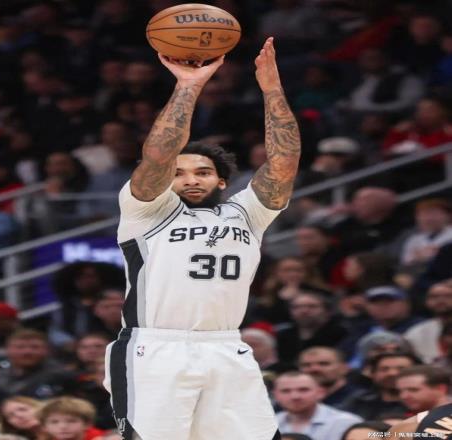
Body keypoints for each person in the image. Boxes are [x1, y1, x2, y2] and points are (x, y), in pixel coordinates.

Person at [104, 37, 301, 440]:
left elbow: (284, 162)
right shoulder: (147, 211)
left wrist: (272, 91)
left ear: (222, 181)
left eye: (203, 172)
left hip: (226, 346)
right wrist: (189, 85)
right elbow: (158, 155)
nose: (191, 179)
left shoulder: (247, 214)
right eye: (179, 174)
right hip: (155, 348)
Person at [273, 371, 362, 440]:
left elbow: (371, 436)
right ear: (275, 395)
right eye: (285, 391)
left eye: (303, 390)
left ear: (321, 392)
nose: (295, 396)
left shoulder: (347, 422)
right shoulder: (269, 424)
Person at [341, 352, 419, 420]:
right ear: (372, 373)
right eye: (384, 369)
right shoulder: (359, 400)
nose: (392, 373)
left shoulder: (422, 404)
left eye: (401, 369)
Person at [405, 280, 452, 363]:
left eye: (448, 296)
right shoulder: (416, 332)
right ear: (426, 301)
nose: (440, 300)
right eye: (434, 297)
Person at [38, 396, 106, 440]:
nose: (63, 426)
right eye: (54, 422)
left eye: (71, 421)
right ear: (44, 427)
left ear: (87, 424)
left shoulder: (104, 438)